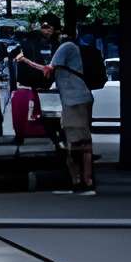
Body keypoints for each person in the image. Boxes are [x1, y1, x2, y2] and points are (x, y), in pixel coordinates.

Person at [21, 15, 95, 192]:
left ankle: (82, 180)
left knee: (77, 143)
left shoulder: (64, 47)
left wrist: (25, 61)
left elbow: (47, 71)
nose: (43, 30)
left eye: (46, 27)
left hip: (74, 100)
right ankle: (83, 179)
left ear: (56, 28)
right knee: (80, 141)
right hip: (75, 99)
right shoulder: (65, 47)